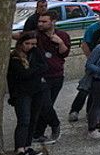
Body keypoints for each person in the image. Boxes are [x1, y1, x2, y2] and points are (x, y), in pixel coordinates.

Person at [7, 32, 49, 155]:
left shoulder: (36, 53)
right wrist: (36, 70)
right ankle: (20, 149)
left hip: (37, 91)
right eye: (27, 44)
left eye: (33, 44)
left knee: (33, 119)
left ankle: (27, 145)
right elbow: (23, 74)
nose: (30, 47)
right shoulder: (14, 58)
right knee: (24, 120)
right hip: (22, 93)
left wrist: (34, 69)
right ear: (21, 43)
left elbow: (45, 66)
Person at [30, 11, 70, 145]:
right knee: (44, 104)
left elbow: (65, 53)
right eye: (39, 21)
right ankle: (55, 124)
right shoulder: (35, 35)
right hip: (41, 76)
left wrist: (60, 43)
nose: (40, 24)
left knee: (48, 105)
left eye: (44, 21)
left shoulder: (62, 35)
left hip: (57, 74)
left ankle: (38, 133)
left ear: (53, 21)